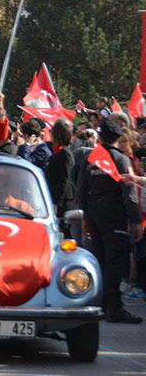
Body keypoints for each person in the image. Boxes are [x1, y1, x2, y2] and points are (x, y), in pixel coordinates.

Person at [78, 119, 143, 323]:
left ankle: (100, 304)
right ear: (119, 138)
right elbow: (129, 194)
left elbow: (81, 190)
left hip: (95, 213)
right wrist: (137, 220)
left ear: (100, 136)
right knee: (115, 260)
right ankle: (113, 307)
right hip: (113, 214)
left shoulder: (90, 158)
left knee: (100, 259)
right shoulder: (121, 160)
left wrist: (86, 216)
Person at [44, 118, 76, 224]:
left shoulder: (64, 153)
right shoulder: (59, 152)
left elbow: (64, 178)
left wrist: (57, 202)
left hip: (63, 202)